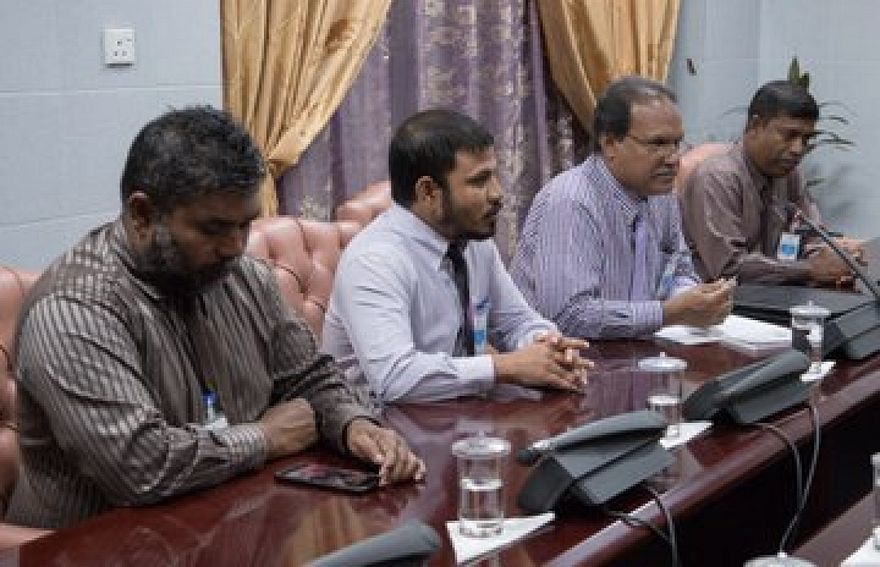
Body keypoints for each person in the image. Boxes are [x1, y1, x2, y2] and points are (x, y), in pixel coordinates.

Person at [7, 107, 424, 529]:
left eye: (245, 226)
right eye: (213, 229)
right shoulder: (74, 310)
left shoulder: (244, 278)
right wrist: (264, 438)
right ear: (142, 215)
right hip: (99, 546)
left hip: (231, 522)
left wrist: (354, 425)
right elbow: (140, 467)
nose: (234, 247)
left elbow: (309, 379)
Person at [321, 109, 592, 403]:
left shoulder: (472, 241)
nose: (498, 193)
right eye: (479, 181)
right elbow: (394, 378)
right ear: (428, 191)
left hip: (465, 416)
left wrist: (547, 346)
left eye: (495, 176)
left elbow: (516, 321)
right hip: (382, 423)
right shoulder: (374, 261)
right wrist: (504, 367)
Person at [510, 76, 733, 340]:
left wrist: (697, 300)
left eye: (677, 143)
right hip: (566, 355)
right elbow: (568, 316)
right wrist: (667, 313)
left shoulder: (662, 196)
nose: (674, 158)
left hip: (637, 350)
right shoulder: (571, 200)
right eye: (658, 144)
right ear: (610, 144)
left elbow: (679, 269)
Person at [679, 80, 858, 285]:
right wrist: (811, 269)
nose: (798, 149)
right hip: (721, 298)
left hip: (776, 294)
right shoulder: (717, 178)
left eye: (806, 139)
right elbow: (729, 269)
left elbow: (812, 238)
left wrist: (836, 262)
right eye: (789, 135)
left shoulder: (790, 174)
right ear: (755, 126)